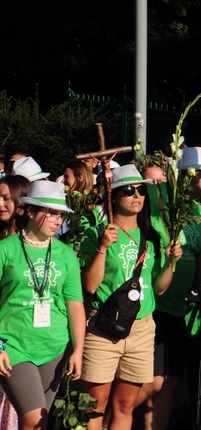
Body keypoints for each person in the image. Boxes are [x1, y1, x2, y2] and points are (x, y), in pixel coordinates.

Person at [79, 165, 181, 430]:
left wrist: (171, 263)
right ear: (112, 196)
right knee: (94, 406)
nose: (137, 195)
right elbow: (89, 286)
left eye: (141, 190)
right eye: (128, 190)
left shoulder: (152, 236)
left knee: (125, 406)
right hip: (103, 327)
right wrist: (102, 248)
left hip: (142, 327)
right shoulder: (96, 233)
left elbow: (159, 289)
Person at [139, 147, 201, 430]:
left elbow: (199, 265)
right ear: (189, 176)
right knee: (150, 385)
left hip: (179, 311)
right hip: (153, 306)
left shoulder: (199, 213)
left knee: (171, 383)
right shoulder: (161, 199)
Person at [0, 181, 86, 430]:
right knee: (32, 419)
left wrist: (78, 350)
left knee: (41, 421)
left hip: (55, 348)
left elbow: (75, 305)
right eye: (49, 212)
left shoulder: (66, 254)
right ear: (29, 211)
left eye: (60, 214)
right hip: (13, 346)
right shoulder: (6, 249)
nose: (57, 220)